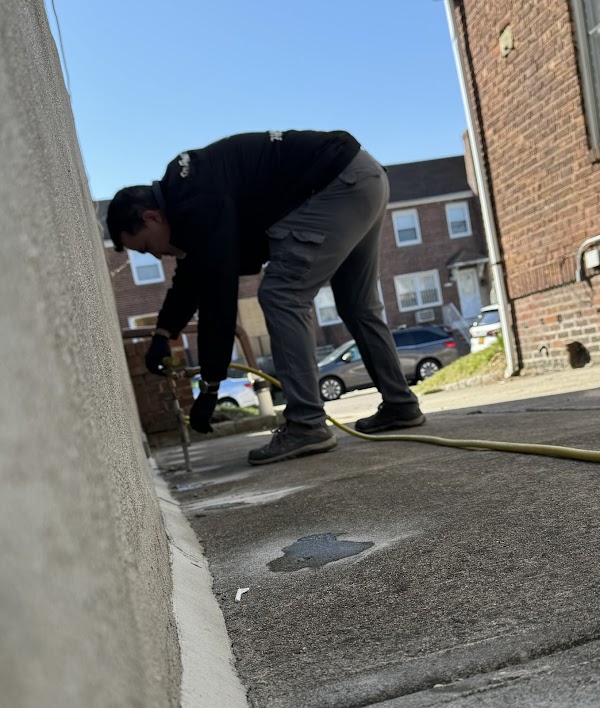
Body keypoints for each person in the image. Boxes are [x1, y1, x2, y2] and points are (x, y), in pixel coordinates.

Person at [106, 130, 425, 465]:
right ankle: (400, 404)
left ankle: (306, 425)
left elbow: (218, 294)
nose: (156, 256)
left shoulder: (195, 200)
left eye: (146, 247)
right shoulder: (188, 192)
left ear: (152, 217)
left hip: (335, 186)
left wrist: (211, 386)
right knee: (358, 304)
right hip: (363, 177)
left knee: (282, 295)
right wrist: (163, 333)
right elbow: (192, 274)